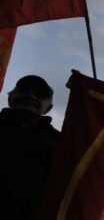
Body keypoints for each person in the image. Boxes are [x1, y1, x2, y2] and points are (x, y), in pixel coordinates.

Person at [0, 75, 60, 219]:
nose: (31, 95)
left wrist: (85, 96)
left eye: (40, 94)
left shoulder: (60, 142)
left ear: (48, 108)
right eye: (24, 90)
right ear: (10, 98)